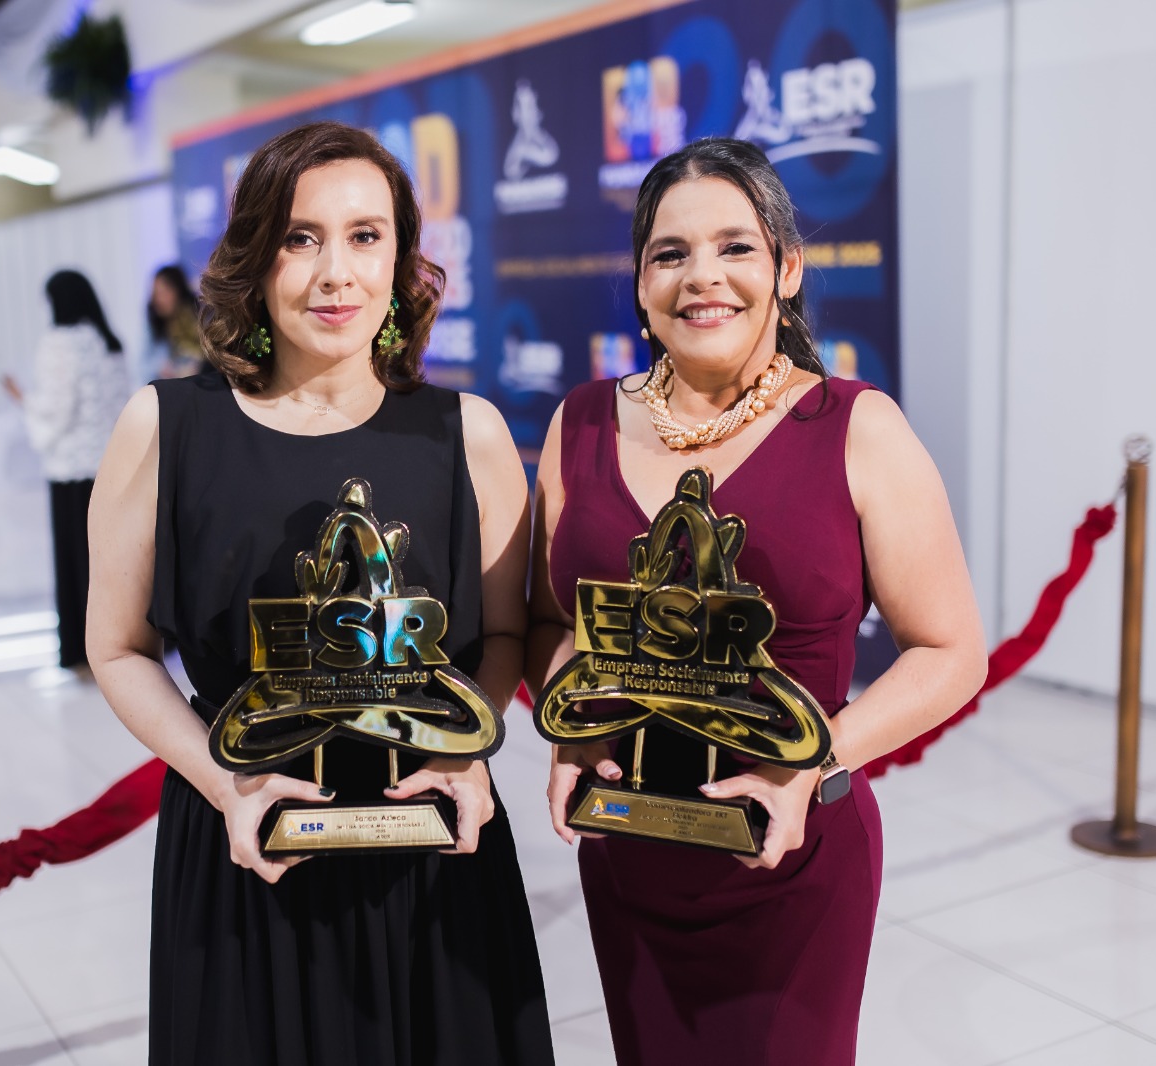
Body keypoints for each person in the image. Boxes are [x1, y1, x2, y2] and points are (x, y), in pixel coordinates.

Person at [86, 121, 554, 1066]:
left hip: (433, 847)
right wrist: (226, 782)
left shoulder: (468, 434)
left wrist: (467, 756)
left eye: (365, 236)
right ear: (254, 258)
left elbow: (508, 635)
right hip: (246, 840)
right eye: (301, 238)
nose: (336, 273)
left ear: (401, 258)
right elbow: (118, 648)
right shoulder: (167, 426)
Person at [527, 138, 988, 1066]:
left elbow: (950, 652)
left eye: (735, 247)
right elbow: (550, 622)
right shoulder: (581, 421)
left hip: (791, 851)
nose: (703, 276)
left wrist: (808, 766)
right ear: (642, 283)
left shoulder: (858, 427)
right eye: (671, 253)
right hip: (628, 845)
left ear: (787, 268)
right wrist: (571, 725)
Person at [1, 270, 127, 671]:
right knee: (104, 563)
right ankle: (115, 647)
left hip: (70, 468)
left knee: (74, 562)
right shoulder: (109, 342)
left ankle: (78, 649)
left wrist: (22, 398)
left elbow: (57, 410)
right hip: (107, 465)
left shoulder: (58, 344)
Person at [142, 264, 205, 381]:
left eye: (163, 293)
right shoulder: (156, 327)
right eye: (155, 294)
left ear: (178, 290)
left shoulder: (198, 319)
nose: (158, 300)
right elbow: (144, 368)